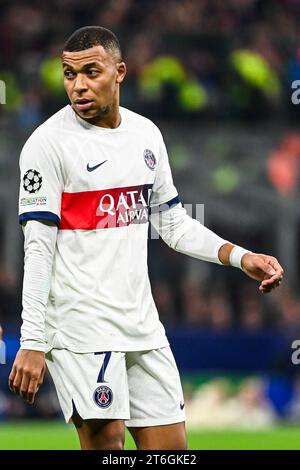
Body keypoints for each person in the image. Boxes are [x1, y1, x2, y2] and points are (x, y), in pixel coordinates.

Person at [9, 26, 284, 450]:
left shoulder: (145, 136)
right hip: (82, 329)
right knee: (109, 448)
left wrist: (240, 256)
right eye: (68, 74)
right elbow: (38, 249)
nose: (78, 85)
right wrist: (32, 341)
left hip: (142, 326)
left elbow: (173, 224)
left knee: (172, 454)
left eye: (91, 72)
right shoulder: (47, 145)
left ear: (120, 72)